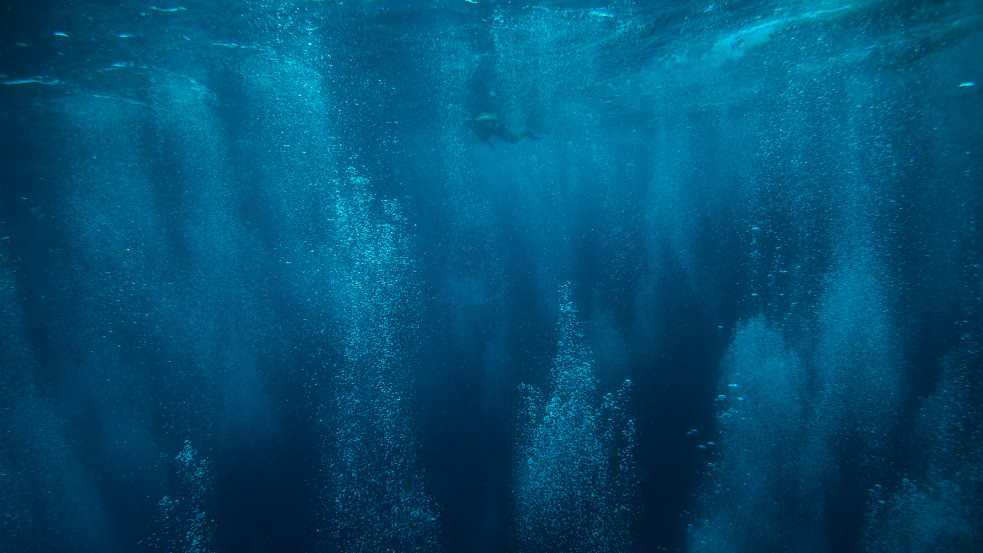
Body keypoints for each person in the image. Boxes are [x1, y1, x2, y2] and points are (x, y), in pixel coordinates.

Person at [472, 112, 542, 144]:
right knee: (513, 140)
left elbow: (495, 118)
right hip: (498, 133)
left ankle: (526, 130)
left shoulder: (479, 120)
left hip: (501, 129)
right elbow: (484, 139)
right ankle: (527, 132)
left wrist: (490, 130)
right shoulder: (476, 130)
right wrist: (486, 134)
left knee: (514, 139)